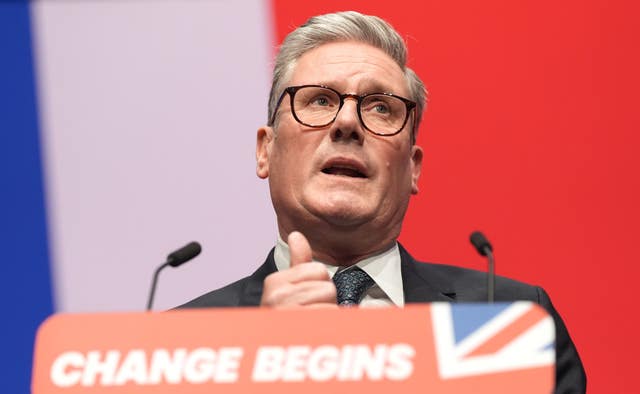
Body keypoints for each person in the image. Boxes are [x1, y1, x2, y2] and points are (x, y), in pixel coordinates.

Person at [180, 11, 586, 392]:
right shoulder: (182, 345)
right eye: (319, 100)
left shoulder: (511, 325)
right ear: (266, 151)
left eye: (381, 108)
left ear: (412, 168)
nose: (347, 124)